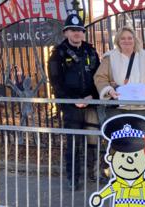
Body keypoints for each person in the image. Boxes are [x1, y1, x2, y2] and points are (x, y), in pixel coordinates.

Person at [48, 13, 100, 190]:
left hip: (91, 102)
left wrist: (92, 97)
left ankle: (93, 173)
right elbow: (56, 83)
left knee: (94, 141)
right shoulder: (58, 54)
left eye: (80, 30)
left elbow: (98, 77)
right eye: (73, 30)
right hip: (71, 106)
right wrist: (73, 100)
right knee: (74, 143)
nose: (77, 33)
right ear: (66, 33)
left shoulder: (90, 51)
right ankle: (73, 178)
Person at [94, 25, 145, 120]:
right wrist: (109, 90)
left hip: (140, 108)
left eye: (130, 38)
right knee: (117, 134)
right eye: (123, 38)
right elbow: (100, 77)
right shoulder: (109, 58)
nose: (127, 41)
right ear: (118, 41)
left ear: (134, 40)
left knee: (139, 134)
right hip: (116, 108)